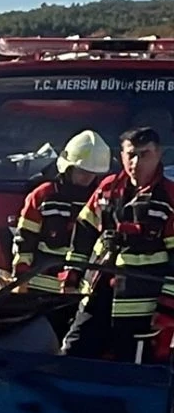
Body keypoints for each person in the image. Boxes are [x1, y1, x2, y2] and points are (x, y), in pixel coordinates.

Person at [61, 126, 174, 361]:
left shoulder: (169, 198)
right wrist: (72, 273)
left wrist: (166, 310)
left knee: (133, 375)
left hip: (142, 311)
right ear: (121, 156)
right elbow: (84, 231)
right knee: (71, 357)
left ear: (159, 155)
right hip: (96, 298)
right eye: (131, 154)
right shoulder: (107, 189)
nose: (136, 162)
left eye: (145, 155)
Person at [11, 129, 110, 295]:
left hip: (80, 290)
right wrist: (21, 279)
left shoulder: (101, 201)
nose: (87, 178)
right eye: (82, 171)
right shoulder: (43, 195)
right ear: (68, 167)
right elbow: (24, 240)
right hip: (39, 288)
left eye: (92, 174)